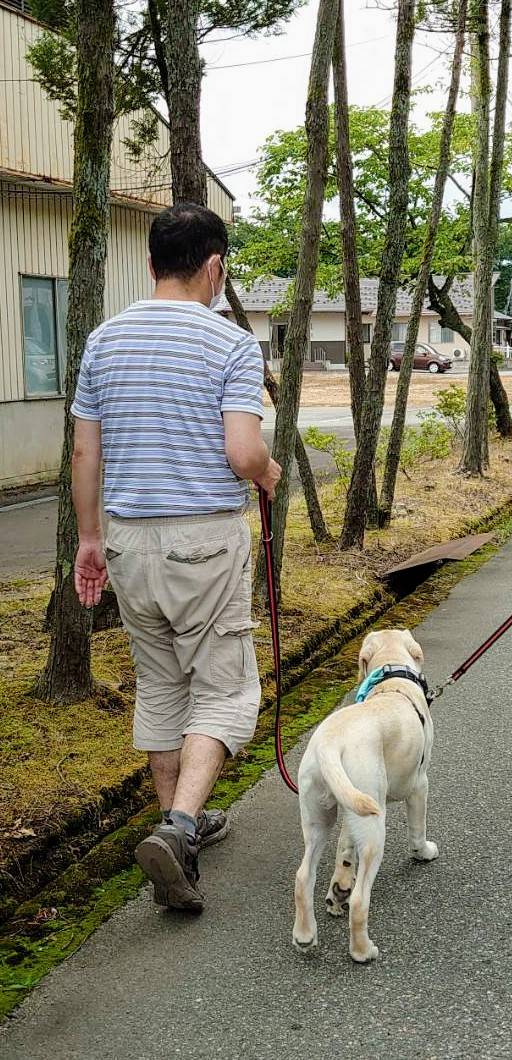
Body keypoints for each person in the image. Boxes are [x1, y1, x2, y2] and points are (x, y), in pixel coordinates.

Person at [70, 202, 281, 912]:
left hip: (128, 540)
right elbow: (243, 451)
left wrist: (90, 540)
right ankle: (183, 826)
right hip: (204, 539)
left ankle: (175, 836)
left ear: (153, 262)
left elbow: (84, 452)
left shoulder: (103, 341)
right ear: (215, 266)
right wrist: (269, 474)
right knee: (223, 690)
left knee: (162, 687)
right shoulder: (230, 343)